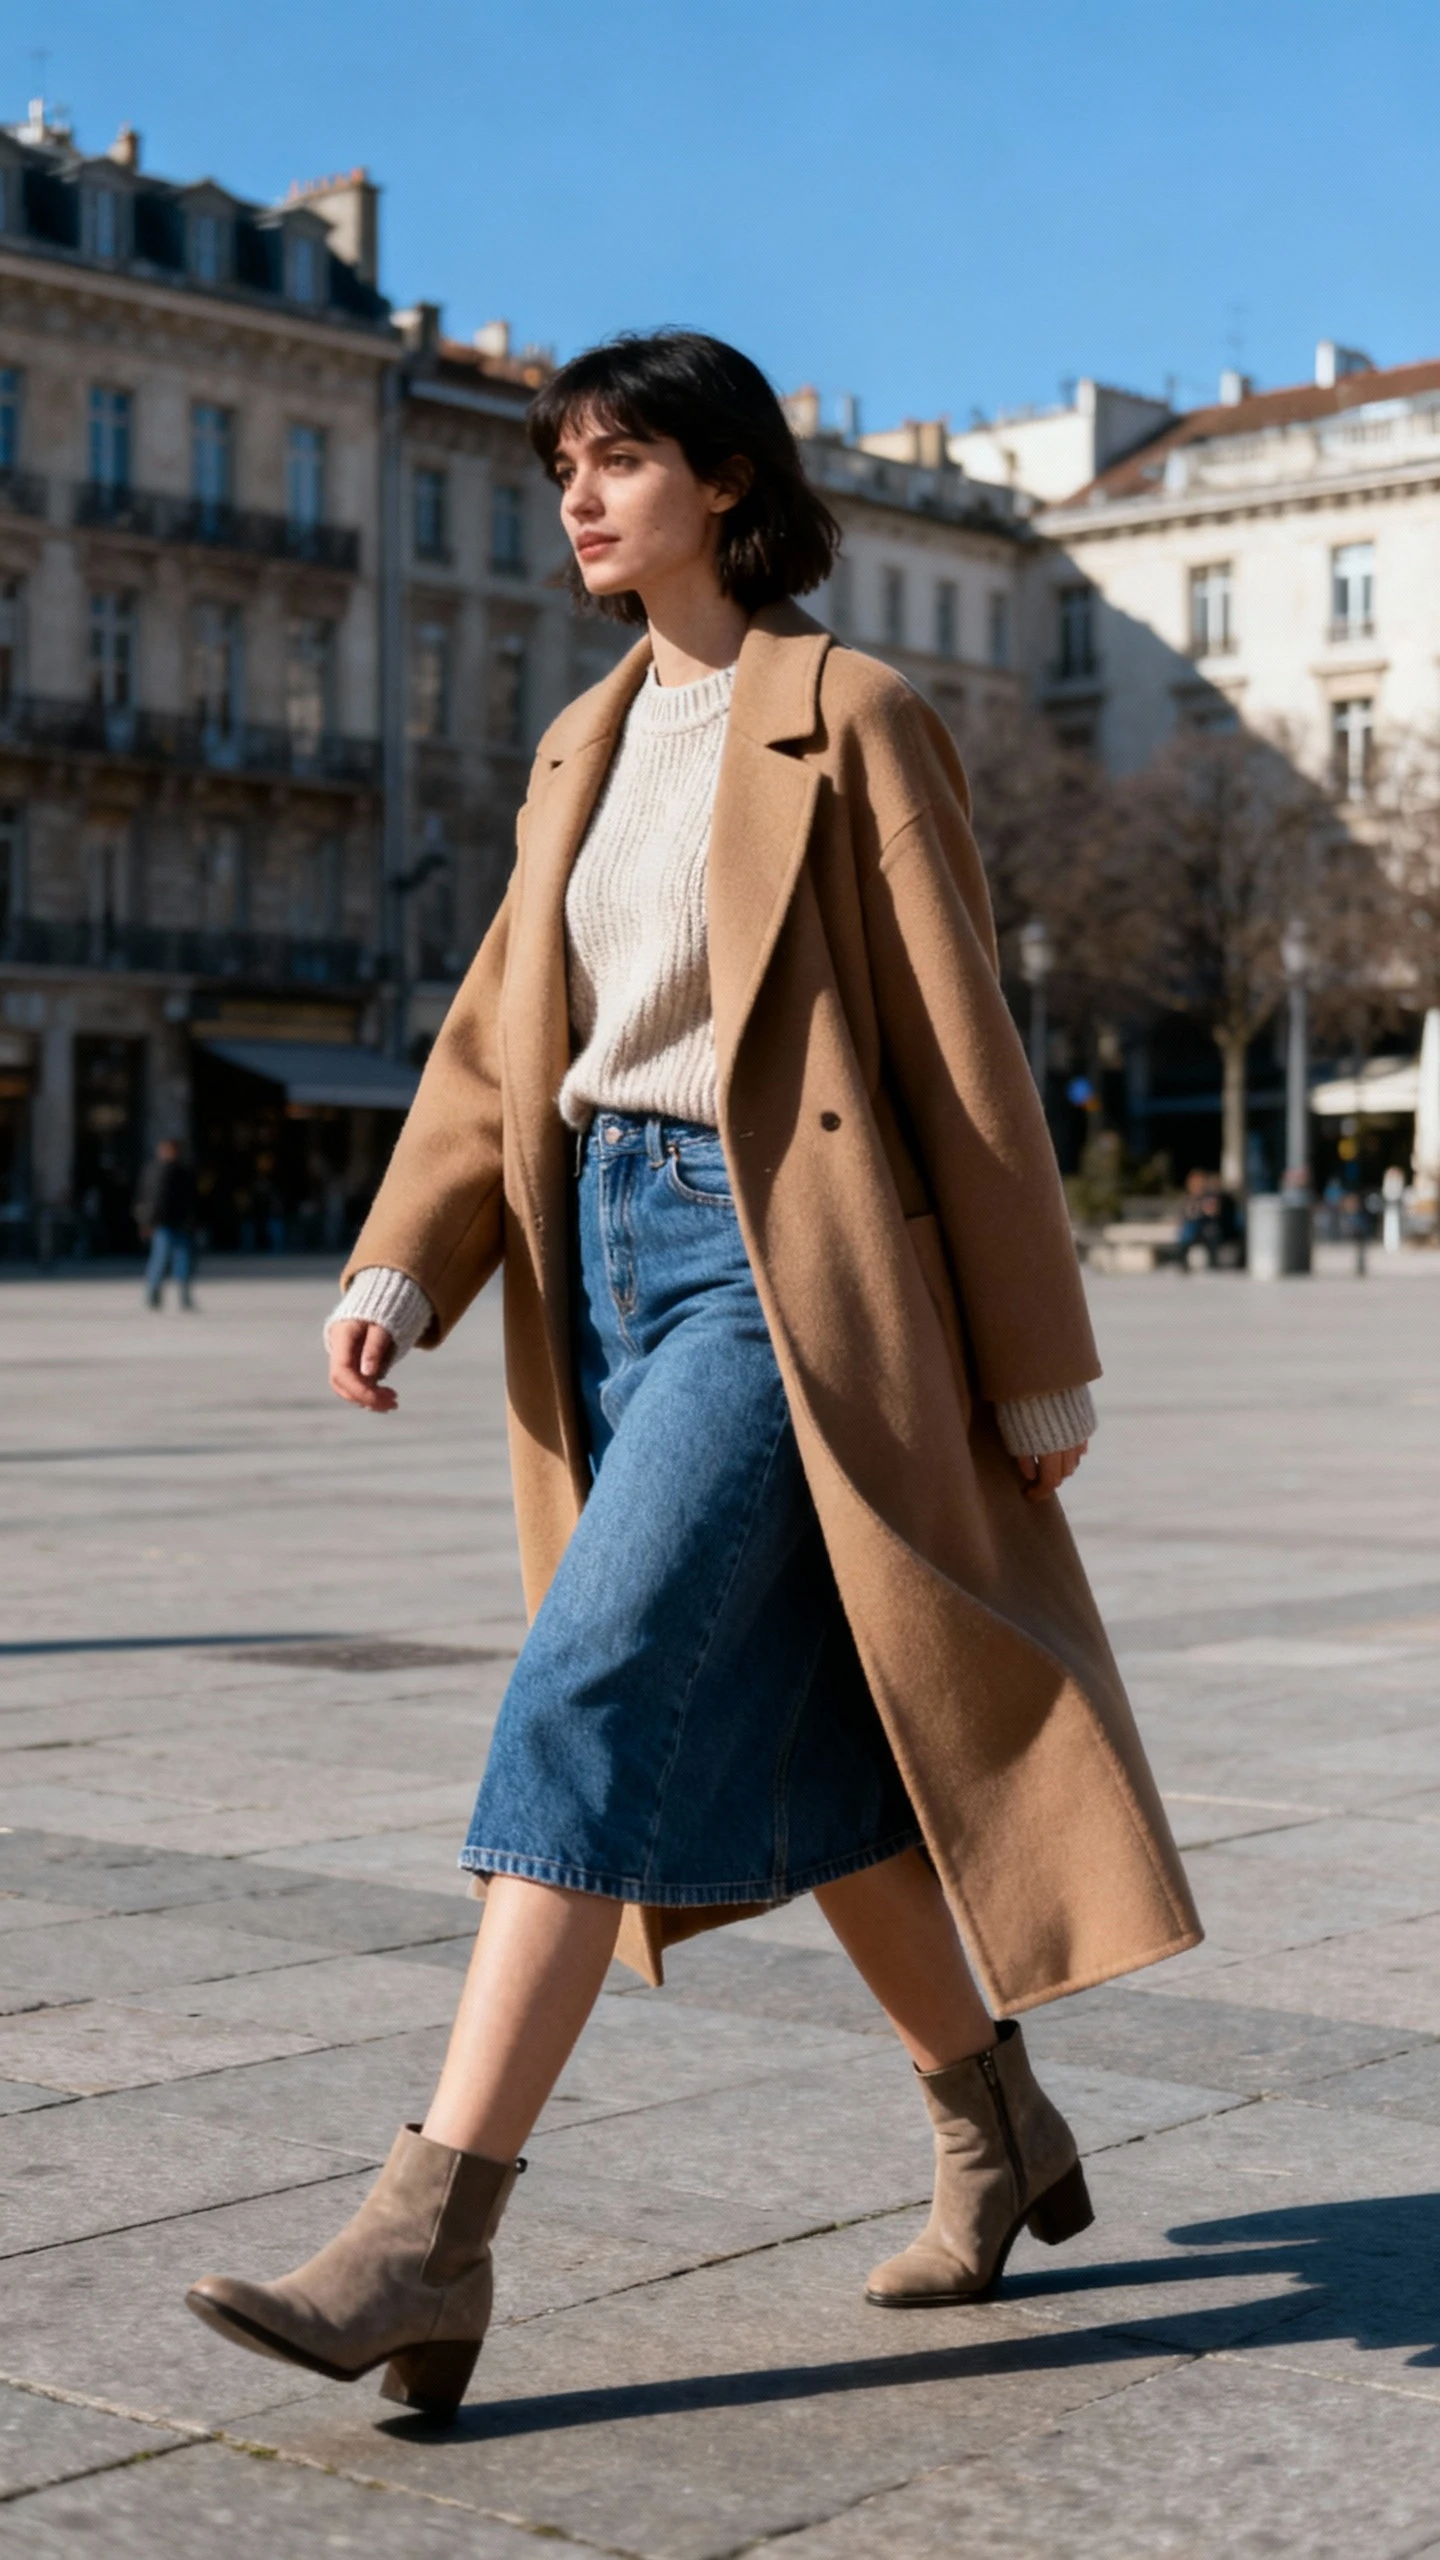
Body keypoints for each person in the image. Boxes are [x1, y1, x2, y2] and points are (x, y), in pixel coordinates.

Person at [185, 332, 1199, 2417]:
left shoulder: (852, 711)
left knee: (592, 1681)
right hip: (608, 1268)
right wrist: (404, 1252)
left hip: (779, 1270)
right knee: (821, 1770)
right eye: (563, 460)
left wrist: (1035, 1360)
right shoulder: (578, 741)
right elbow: (497, 1034)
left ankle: (427, 2227)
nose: (575, 495)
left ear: (728, 487)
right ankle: (998, 2126)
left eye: (617, 459)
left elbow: (960, 1042)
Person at [134, 1138, 197, 1308]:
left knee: (183, 1259)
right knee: (160, 1259)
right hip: (160, 1224)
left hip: (181, 1223)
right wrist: (145, 1223)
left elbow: (192, 1199)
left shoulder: (183, 1171)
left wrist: (193, 1220)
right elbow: (145, 1198)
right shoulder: (152, 1171)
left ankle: (184, 1294)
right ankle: (153, 1293)